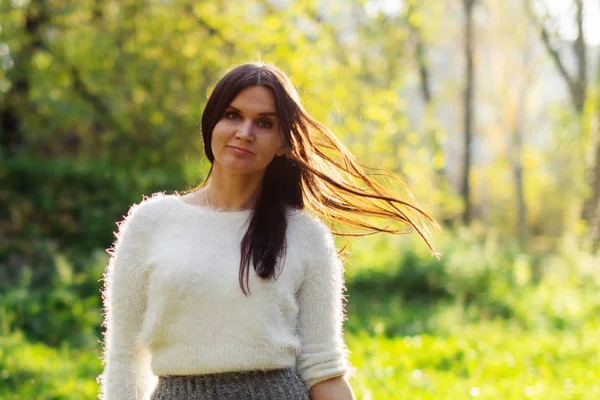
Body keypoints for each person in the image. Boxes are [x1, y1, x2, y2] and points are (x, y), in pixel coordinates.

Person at [97, 62, 440, 400]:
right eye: (232, 115)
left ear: (282, 143)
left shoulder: (305, 235)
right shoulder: (151, 223)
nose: (245, 132)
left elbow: (323, 369)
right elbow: (125, 359)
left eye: (264, 123)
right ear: (211, 123)